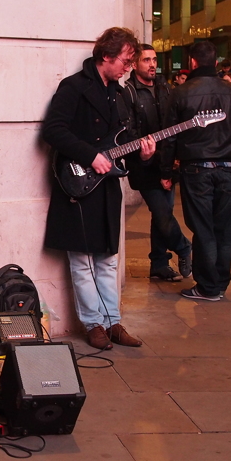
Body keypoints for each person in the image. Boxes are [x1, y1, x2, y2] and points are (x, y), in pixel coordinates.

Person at [42, 27, 154, 350]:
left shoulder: (120, 95)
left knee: (108, 259)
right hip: (79, 183)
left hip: (107, 188)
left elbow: (122, 143)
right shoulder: (73, 87)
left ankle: (113, 322)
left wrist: (144, 154)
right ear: (106, 56)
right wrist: (90, 155)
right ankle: (94, 324)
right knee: (81, 260)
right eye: (125, 60)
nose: (128, 68)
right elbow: (53, 130)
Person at [160, 40, 231, 301]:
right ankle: (220, 282)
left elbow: (169, 138)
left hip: (196, 167)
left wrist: (166, 171)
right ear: (216, 62)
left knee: (203, 227)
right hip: (228, 167)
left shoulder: (180, 93)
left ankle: (208, 286)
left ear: (193, 62)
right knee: (224, 227)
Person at [121, 44, 192, 282]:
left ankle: (159, 263)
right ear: (135, 64)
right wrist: (142, 153)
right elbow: (127, 131)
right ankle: (183, 247)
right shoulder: (129, 92)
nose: (152, 64)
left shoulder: (165, 88)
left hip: (167, 163)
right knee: (161, 213)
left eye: (154, 59)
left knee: (164, 214)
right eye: (146, 60)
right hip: (143, 164)